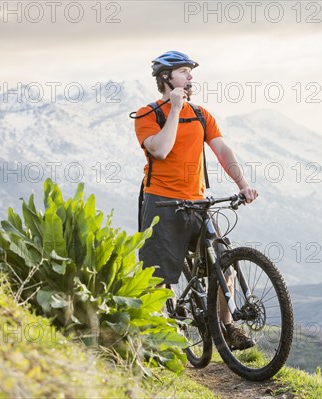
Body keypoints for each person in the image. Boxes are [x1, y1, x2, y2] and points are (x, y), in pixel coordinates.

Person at [134, 50, 258, 350]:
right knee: (157, 278)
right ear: (166, 78)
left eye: (191, 72)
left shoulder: (202, 114)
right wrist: (174, 109)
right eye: (184, 72)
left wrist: (242, 183)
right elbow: (160, 150)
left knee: (224, 267)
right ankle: (154, 342)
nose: (191, 77)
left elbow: (223, 150)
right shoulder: (147, 115)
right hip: (162, 203)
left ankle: (227, 328)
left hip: (198, 202)